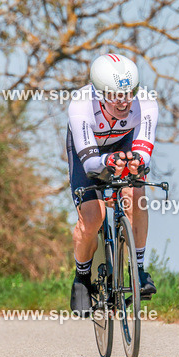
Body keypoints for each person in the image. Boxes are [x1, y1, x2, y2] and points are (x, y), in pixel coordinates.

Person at [66, 53, 158, 315]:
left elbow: (144, 155)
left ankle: (138, 270)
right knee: (93, 217)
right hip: (91, 152)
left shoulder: (146, 104)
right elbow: (92, 165)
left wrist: (134, 163)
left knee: (136, 192)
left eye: (129, 93)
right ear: (98, 93)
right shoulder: (81, 105)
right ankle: (82, 278)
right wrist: (109, 160)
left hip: (123, 145)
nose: (123, 101)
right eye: (115, 95)